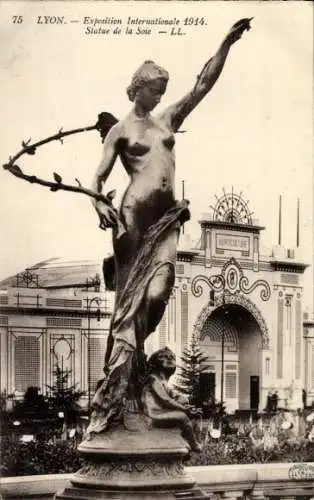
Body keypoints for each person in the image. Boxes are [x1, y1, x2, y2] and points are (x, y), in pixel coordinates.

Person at [87, 19, 252, 436]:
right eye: (155, 89)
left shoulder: (166, 120)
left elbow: (201, 87)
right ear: (136, 88)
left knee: (159, 289)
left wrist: (225, 44)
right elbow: (97, 180)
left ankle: (131, 362)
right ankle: (125, 371)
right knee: (128, 300)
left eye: (163, 90)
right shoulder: (121, 131)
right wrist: (98, 203)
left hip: (165, 220)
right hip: (130, 221)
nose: (161, 95)